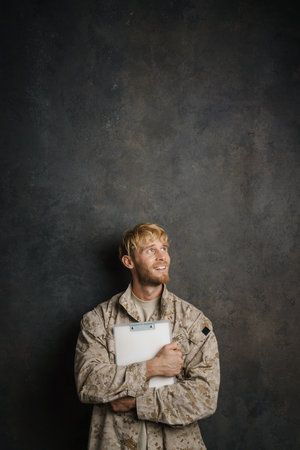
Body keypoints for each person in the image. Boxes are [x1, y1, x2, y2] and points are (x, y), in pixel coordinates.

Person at [75, 223, 220, 449]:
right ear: (129, 261)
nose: (162, 256)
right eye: (151, 250)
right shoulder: (98, 320)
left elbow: (205, 397)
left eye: (164, 248)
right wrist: (151, 368)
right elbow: (88, 382)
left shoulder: (194, 322)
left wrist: (137, 403)